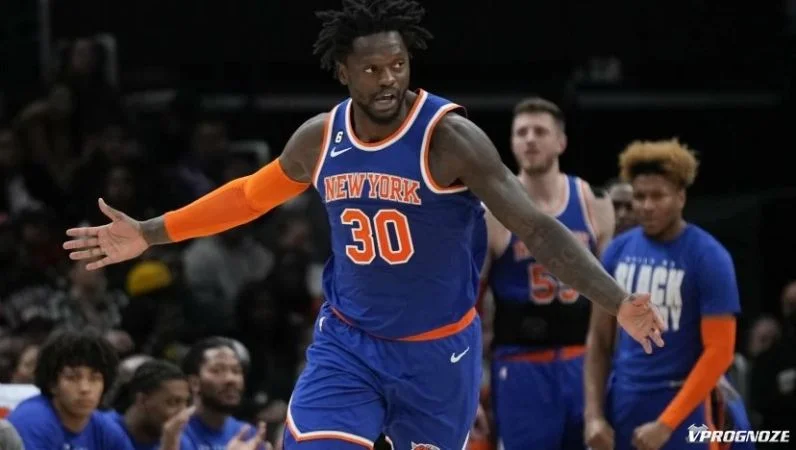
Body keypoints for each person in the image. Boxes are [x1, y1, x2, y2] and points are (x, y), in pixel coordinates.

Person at [63, 1, 665, 447]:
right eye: (372, 69)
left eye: (398, 65)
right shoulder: (320, 138)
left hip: (437, 355)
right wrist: (150, 232)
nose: (389, 80)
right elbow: (247, 197)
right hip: (349, 344)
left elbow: (535, 228)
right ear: (344, 73)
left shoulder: (449, 139)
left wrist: (615, 300)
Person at [583, 139, 742, 450]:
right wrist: (593, 416)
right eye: (640, 196)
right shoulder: (617, 251)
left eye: (658, 196)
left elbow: (720, 352)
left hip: (684, 406)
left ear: (681, 197)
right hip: (624, 399)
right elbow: (598, 340)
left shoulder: (709, 256)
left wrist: (667, 423)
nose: (646, 206)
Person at [481, 97, 614, 449]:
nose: (529, 139)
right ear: (511, 142)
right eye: (521, 132)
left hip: (584, 362)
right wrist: (471, 383)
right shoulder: (494, 209)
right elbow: (471, 301)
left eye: (539, 131)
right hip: (520, 364)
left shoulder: (594, 202)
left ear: (561, 142)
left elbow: (614, 296)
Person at [7, 329, 134, 449]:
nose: (85, 388)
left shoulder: (105, 428)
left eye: (94, 379)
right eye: (72, 378)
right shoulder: (32, 420)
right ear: (52, 384)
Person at [179, 337, 260, 449]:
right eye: (217, 370)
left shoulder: (247, 433)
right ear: (194, 383)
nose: (231, 379)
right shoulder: (176, 432)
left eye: (236, 371)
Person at [105, 359, 191, 450]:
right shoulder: (103, 429)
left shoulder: (179, 443)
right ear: (142, 400)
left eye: (186, 403)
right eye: (173, 402)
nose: (183, 415)